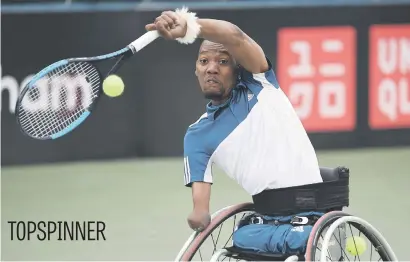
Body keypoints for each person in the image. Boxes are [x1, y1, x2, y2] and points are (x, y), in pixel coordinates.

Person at [145, 8, 323, 232]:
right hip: (268, 222)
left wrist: (187, 25)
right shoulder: (197, 135)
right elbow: (200, 209)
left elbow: (234, 36)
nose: (211, 68)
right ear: (196, 70)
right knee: (243, 240)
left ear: (237, 70)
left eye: (222, 61)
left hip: (312, 214)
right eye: (204, 61)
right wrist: (198, 216)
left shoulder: (259, 83)